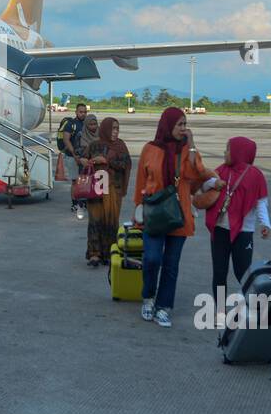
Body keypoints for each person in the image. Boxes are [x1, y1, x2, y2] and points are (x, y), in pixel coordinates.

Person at [133, 107, 216, 327]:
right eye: (179, 124)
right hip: (154, 214)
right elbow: (141, 181)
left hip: (178, 214)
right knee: (151, 259)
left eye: (185, 124)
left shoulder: (186, 151)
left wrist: (192, 144)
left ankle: (164, 306)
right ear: (167, 125)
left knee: (171, 264)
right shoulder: (150, 149)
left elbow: (196, 173)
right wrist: (138, 211)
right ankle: (148, 298)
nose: (183, 128)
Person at [200, 137, 271, 327]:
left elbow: (261, 202)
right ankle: (220, 312)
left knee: (243, 273)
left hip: (243, 232)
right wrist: (214, 184)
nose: (225, 153)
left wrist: (265, 224)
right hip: (220, 230)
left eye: (228, 150)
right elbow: (203, 185)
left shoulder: (255, 175)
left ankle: (250, 309)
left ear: (240, 152)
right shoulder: (221, 170)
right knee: (220, 272)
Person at [77, 116, 132, 267]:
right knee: (94, 220)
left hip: (113, 189)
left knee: (111, 221)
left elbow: (125, 165)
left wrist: (107, 161)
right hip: (96, 186)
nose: (115, 132)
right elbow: (81, 158)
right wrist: (85, 161)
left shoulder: (120, 146)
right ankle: (94, 254)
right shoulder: (94, 145)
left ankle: (109, 253)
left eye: (117, 129)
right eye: (113, 129)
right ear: (106, 129)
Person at [59, 102, 90, 214]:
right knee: (75, 181)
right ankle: (75, 204)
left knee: (85, 181)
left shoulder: (87, 124)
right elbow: (66, 140)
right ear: (76, 112)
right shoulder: (71, 124)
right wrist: (74, 154)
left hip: (85, 158)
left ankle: (84, 202)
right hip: (72, 157)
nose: (83, 114)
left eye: (85, 112)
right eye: (81, 112)